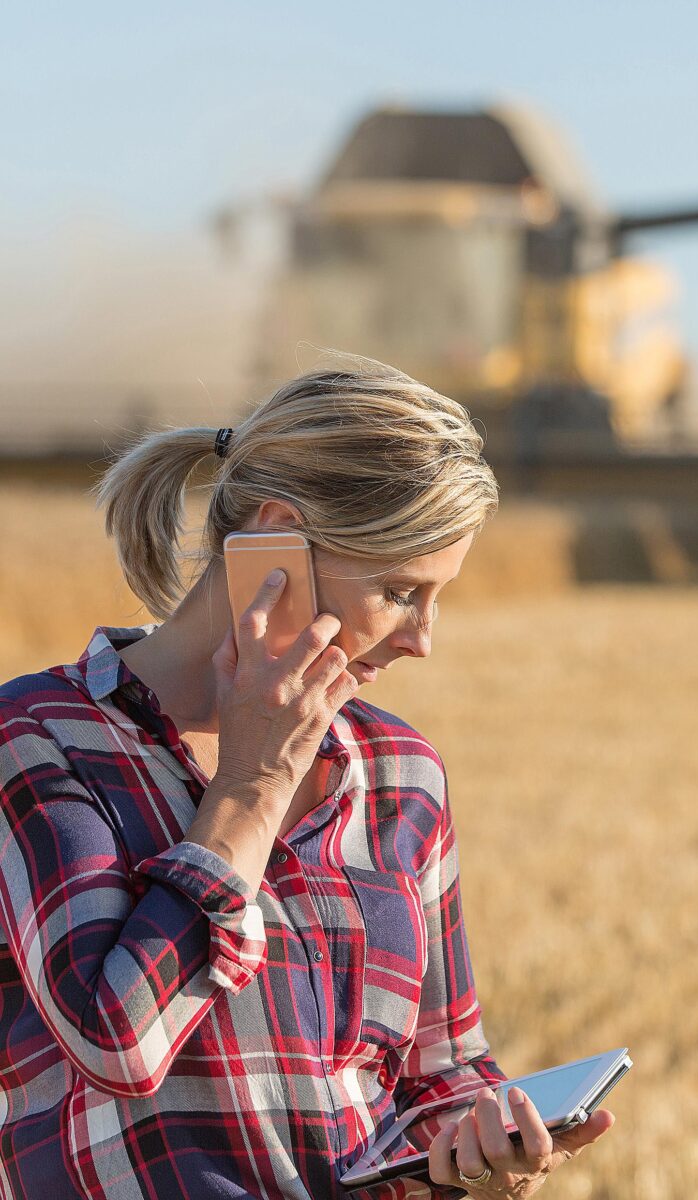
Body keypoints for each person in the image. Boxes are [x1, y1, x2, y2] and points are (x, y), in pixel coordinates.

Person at [0, 358, 615, 1198]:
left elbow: (440, 1073)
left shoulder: (403, 774)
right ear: (275, 537)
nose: (422, 639)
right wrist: (251, 786)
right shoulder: (36, 742)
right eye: (401, 590)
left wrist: (484, 1152)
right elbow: (116, 1044)